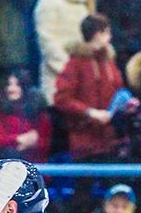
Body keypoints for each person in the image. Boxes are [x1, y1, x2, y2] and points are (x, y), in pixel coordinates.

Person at [53, 14, 124, 162]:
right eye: (107, 32)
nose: (110, 37)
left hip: (110, 139)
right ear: (98, 34)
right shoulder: (76, 63)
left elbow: (118, 89)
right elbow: (62, 99)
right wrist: (89, 112)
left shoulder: (108, 61)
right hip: (84, 141)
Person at [33, 0, 94, 100]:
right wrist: (67, 70)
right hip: (59, 75)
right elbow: (46, 40)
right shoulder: (49, 0)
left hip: (81, 75)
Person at [0, 69, 52, 163]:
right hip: (8, 165)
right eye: (9, 84)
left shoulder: (38, 111)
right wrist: (19, 139)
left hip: (37, 164)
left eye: (17, 85)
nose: (11, 89)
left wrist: (33, 142)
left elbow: (47, 142)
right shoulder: (0, 110)